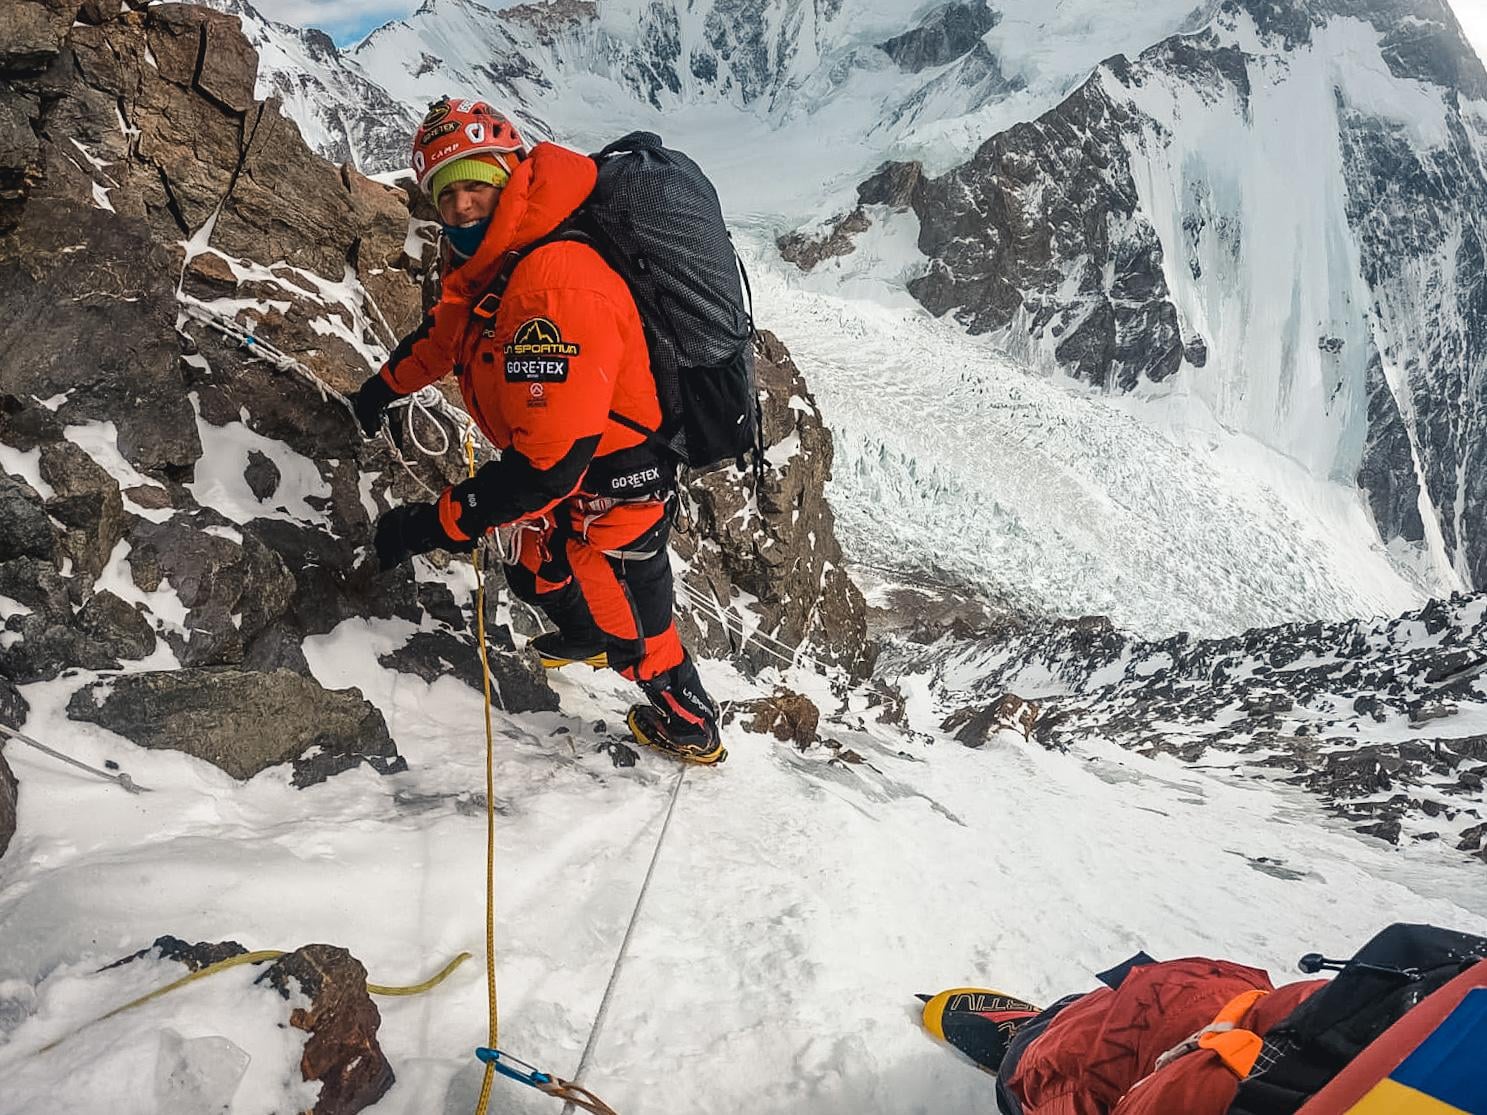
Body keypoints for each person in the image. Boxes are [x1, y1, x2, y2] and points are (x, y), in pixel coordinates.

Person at [348, 97, 724, 763]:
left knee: (637, 630)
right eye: (447, 193)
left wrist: (424, 525)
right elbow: (448, 338)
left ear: (511, 175)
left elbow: (545, 471)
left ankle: (690, 722)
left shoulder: (550, 288)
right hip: (575, 467)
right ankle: (585, 637)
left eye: (477, 185)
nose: (462, 207)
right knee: (533, 569)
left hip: (613, 483)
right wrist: (385, 386)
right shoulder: (502, 261)